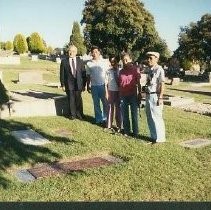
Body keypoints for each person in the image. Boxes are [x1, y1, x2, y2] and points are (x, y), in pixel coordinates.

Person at [144, 51, 166, 144]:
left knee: (157, 117)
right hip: (148, 95)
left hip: (155, 96)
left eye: (151, 58)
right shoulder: (149, 69)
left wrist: (160, 97)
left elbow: (162, 84)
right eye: (148, 58)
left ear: (156, 59)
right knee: (149, 117)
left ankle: (160, 139)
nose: (148, 60)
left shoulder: (159, 69)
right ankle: (153, 137)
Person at [60, 45, 86, 120]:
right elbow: (62, 74)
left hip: (78, 83)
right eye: (70, 51)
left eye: (73, 51)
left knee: (78, 99)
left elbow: (83, 74)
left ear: (76, 52)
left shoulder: (80, 61)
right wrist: (62, 85)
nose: (71, 53)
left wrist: (84, 85)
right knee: (71, 99)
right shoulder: (64, 61)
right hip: (69, 83)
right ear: (68, 52)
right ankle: (72, 115)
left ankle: (80, 114)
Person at [119, 53, 141, 137]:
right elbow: (120, 83)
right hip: (123, 95)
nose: (125, 62)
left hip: (133, 95)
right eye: (123, 60)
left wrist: (139, 94)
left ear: (130, 60)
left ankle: (135, 133)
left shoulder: (135, 70)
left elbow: (138, 84)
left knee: (134, 114)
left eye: (126, 60)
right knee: (125, 115)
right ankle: (126, 131)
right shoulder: (121, 71)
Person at [86, 46, 109, 125]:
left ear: (99, 52)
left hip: (103, 85)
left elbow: (108, 74)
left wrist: (107, 85)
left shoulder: (104, 62)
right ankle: (99, 119)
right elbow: (88, 75)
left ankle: (106, 118)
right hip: (94, 86)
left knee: (105, 103)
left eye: (96, 52)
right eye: (93, 52)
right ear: (91, 53)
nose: (94, 53)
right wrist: (87, 85)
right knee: (96, 104)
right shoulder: (89, 63)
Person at [104, 55, 122, 133]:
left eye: (114, 61)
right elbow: (106, 83)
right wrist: (106, 93)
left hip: (119, 92)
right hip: (111, 91)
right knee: (110, 108)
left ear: (117, 62)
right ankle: (109, 125)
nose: (113, 63)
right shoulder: (108, 71)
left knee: (119, 109)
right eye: (111, 61)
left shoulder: (121, 71)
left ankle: (119, 126)